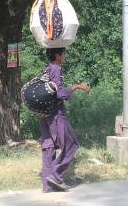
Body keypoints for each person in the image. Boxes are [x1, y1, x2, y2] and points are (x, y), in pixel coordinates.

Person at [39, 47, 90, 193]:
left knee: (48, 145)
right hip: (55, 114)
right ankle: (55, 175)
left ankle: (48, 185)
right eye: (63, 53)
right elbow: (60, 94)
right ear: (57, 55)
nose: (65, 56)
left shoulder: (46, 69)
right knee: (72, 143)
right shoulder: (56, 69)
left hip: (43, 114)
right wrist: (77, 86)